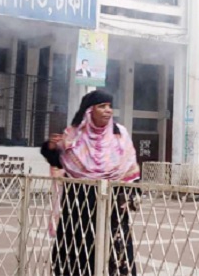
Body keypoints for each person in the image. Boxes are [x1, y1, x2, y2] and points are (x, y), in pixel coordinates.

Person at [40, 90, 140, 276]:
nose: (108, 110)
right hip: (79, 207)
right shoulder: (74, 137)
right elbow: (58, 162)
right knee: (77, 254)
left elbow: (131, 170)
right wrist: (51, 149)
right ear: (89, 111)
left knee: (114, 253)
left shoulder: (120, 136)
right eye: (102, 106)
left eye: (110, 106)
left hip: (112, 207)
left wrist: (130, 195)